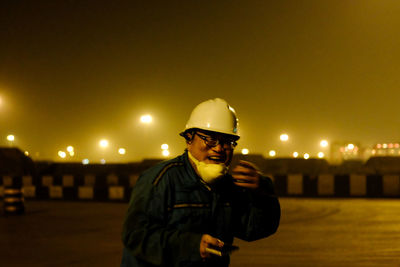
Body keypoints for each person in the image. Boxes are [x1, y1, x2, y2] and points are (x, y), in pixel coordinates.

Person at [121, 98, 280, 267]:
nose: (218, 148)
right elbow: (135, 235)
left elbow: (255, 229)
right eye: (210, 139)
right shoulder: (161, 179)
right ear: (189, 139)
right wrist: (192, 246)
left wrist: (263, 194)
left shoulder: (226, 186)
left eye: (227, 142)